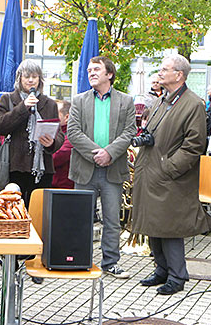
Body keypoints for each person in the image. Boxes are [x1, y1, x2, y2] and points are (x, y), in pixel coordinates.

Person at [132, 54, 211, 295]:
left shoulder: (193, 104)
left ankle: (177, 276)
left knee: (169, 229)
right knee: (152, 225)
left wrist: (169, 168)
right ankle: (161, 270)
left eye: (165, 69)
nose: (160, 72)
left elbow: (194, 145)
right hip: (151, 172)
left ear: (179, 75)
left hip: (170, 177)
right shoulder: (162, 100)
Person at [68, 56, 136, 279]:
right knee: (81, 218)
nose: (91, 73)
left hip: (113, 169)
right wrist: (97, 153)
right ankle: (81, 260)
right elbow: (73, 133)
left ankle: (111, 262)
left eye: (96, 69)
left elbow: (129, 132)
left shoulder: (126, 101)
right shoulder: (78, 100)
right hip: (85, 168)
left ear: (110, 74)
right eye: (89, 70)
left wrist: (110, 153)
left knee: (112, 219)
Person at [0, 59, 64, 205]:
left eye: (35, 76)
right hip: (13, 167)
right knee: (13, 210)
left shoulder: (49, 103)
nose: (31, 80)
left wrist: (52, 143)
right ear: (19, 78)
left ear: (40, 79)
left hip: (42, 169)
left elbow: (59, 133)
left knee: (39, 212)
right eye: (26, 76)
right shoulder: (7, 99)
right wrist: (22, 107)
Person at [51, 100, 73, 189]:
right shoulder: (52, 132)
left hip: (62, 188)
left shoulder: (71, 135)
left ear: (66, 117)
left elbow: (56, 158)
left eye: (54, 113)